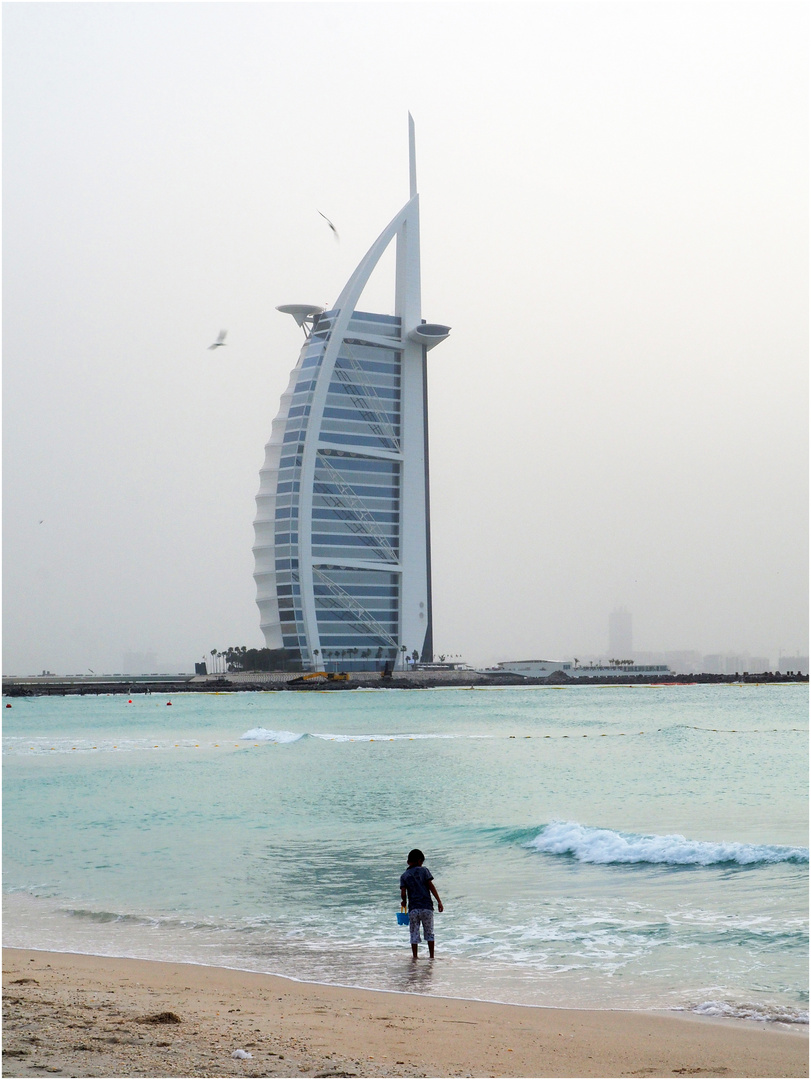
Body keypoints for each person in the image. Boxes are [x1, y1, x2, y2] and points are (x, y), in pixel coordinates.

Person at [399, 848, 443, 958]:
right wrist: (439, 901)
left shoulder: (404, 876)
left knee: (414, 933)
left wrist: (404, 902)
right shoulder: (424, 871)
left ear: (408, 862)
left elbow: (403, 893)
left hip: (413, 909)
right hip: (427, 907)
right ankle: (431, 956)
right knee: (429, 933)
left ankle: (415, 957)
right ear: (419, 861)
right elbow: (431, 886)